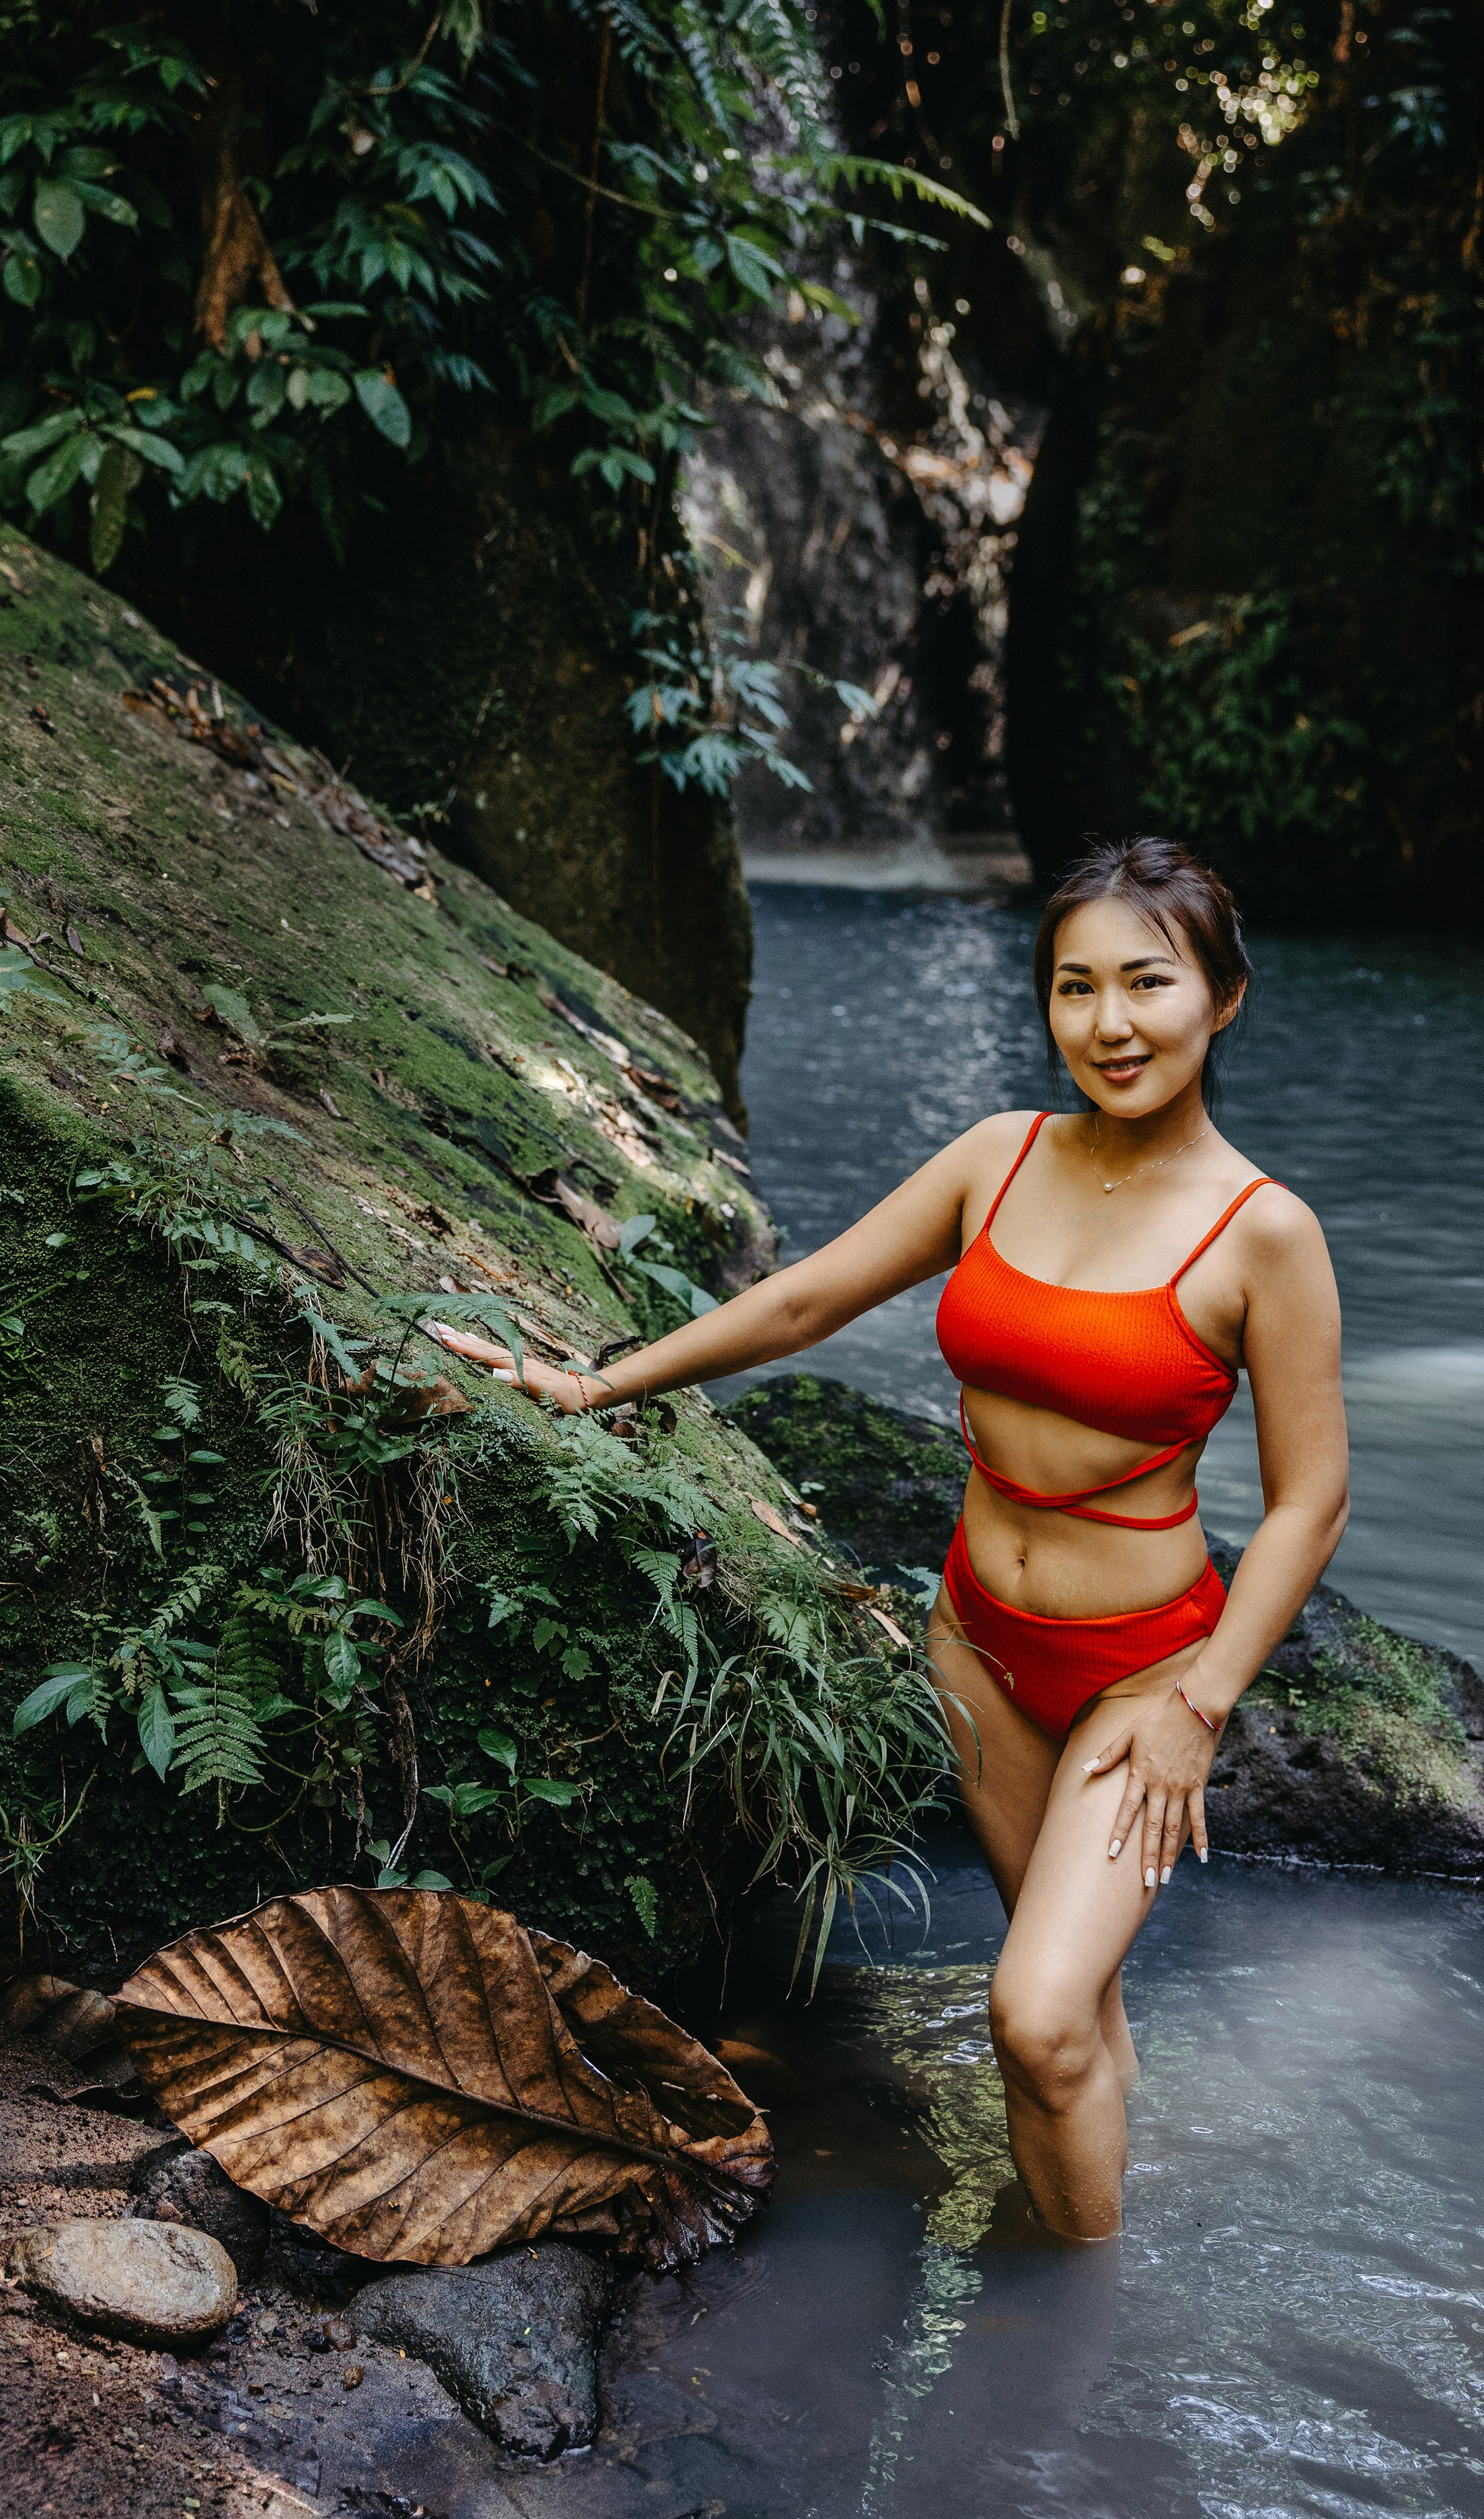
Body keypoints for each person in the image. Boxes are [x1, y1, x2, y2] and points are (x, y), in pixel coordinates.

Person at [430, 836, 1349, 2242]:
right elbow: (805, 1301)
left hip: (1139, 1678)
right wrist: (594, 1384)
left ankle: (1075, 2339)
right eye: (1072, 987)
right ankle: (1053, 2249)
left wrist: (1202, 1708)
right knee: (1076, 2007)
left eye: (1146, 984)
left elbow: (1308, 1500)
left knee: (1032, 2016)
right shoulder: (999, 1158)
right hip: (976, 1647)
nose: (1107, 1024)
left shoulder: (1262, 1234)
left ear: (1219, 999)